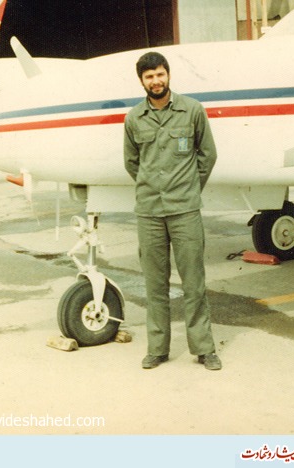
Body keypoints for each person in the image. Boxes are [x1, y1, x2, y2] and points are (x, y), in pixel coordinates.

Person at [123, 51, 221, 371]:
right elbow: (132, 163)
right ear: (142, 81)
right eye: (149, 76)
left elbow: (207, 155)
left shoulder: (192, 110)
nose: (156, 81)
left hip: (185, 211)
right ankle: (157, 349)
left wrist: (188, 188)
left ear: (168, 75)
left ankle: (204, 348)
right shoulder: (134, 118)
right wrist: (153, 187)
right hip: (149, 212)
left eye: (160, 74)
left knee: (193, 283)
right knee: (155, 285)